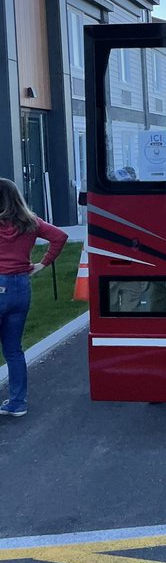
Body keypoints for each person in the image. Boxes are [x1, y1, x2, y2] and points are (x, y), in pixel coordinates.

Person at [0, 178, 68, 417]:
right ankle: (18, 402)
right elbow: (59, 236)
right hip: (21, 286)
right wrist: (43, 264)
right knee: (13, 350)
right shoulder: (30, 222)